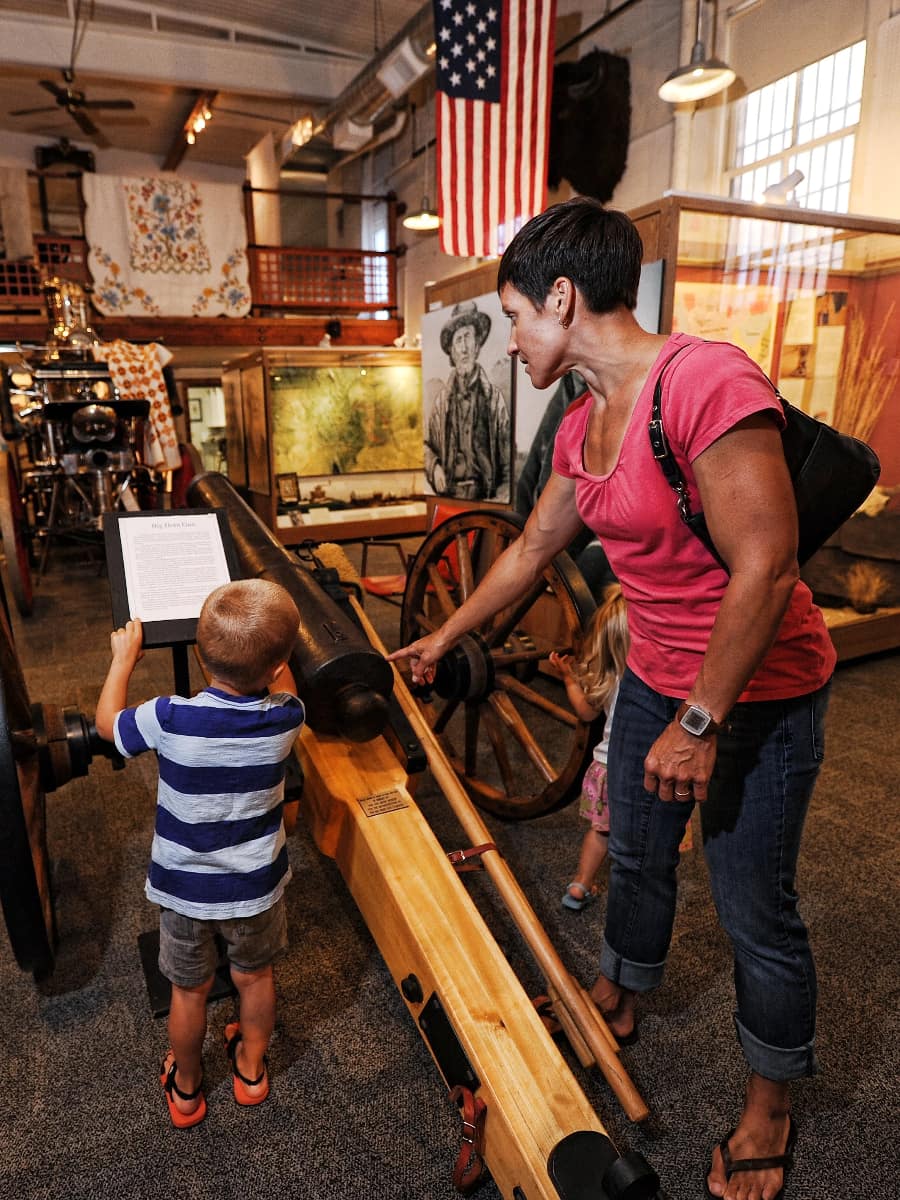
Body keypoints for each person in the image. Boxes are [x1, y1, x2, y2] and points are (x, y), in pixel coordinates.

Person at [390, 198, 836, 1200]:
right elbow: (535, 549)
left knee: (754, 906)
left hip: (754, 697)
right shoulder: (583, 420)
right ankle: (622, 995)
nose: (511, 342)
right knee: (635, 854)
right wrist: (447, 634)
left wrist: (700, 722)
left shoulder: (706, 381)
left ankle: (770, 1107)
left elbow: (767, 564)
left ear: (562, 296)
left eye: (514, 318)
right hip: (657, 683)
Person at [95, 579, 305, 1128]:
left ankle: (187, 1090)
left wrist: (124, 660)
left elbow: (107, 728)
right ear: (280, 665)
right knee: (255, 977)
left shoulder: (169, 717)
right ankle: (252, 1070)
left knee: (189, 991)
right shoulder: (287, 717)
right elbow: (287, 683)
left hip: (185, 890)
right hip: (257, 887)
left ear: (198, 652)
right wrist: (281, 658)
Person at [549, 583, 629, 913]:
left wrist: (569, 680)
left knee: (601, 831)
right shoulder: (661, 685)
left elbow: (585, 712)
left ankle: (579, 885)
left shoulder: (609, 680)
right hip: (646, 773)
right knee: (650, 837)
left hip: (607, 770)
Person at [424, 299, 511, 501]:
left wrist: (502, 496)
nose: (464, 348)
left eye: (468, 337)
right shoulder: (441, 402)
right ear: (452, 352)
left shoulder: (493, 399)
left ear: (477, 344)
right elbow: (426, 445)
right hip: (450, 497)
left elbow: (507, 460)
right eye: (458, 340)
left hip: (486, 498)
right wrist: (434, 467)